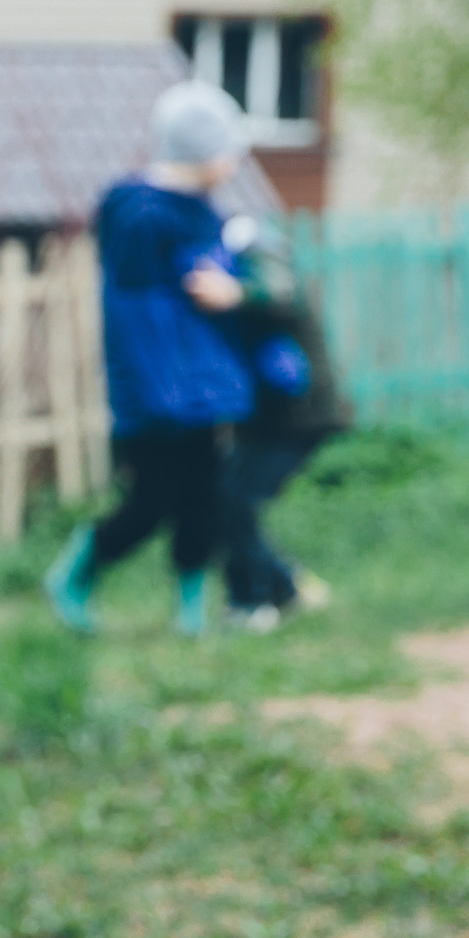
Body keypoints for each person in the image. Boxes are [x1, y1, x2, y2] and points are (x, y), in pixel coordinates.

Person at [46, 81, 259, 638]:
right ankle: (77, 571)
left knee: (203, 502)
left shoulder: (203, 214)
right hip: (155, 399)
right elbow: (137, 317)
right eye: (231, 151)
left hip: (201, 393)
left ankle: (191, 614)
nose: (236, 163)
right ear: (205, 153)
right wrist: (165, 392)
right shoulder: (140, 215)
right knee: (151, 503)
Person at [215, 216, 348, 629]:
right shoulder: (243, 271)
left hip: (300, 419)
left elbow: (277, 293)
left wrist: (235, 292)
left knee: (236, 502)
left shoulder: (269, 268)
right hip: (268, 419)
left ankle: (258, 601)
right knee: (227, 502)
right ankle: (282, 589)